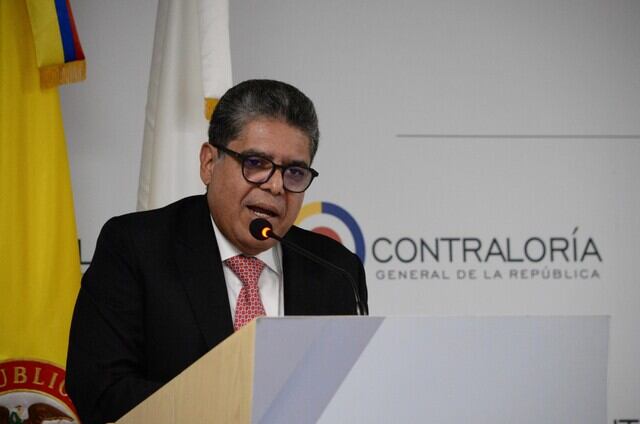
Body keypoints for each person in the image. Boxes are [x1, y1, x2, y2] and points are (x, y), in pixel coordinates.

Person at [66, 79, 368, 424]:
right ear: (209, 163)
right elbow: (101, 390)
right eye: (256, 163)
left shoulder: (335, 270)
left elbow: (350, 397)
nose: (275, 186)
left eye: (295, 172)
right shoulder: (136, 247)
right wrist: (234, 411)